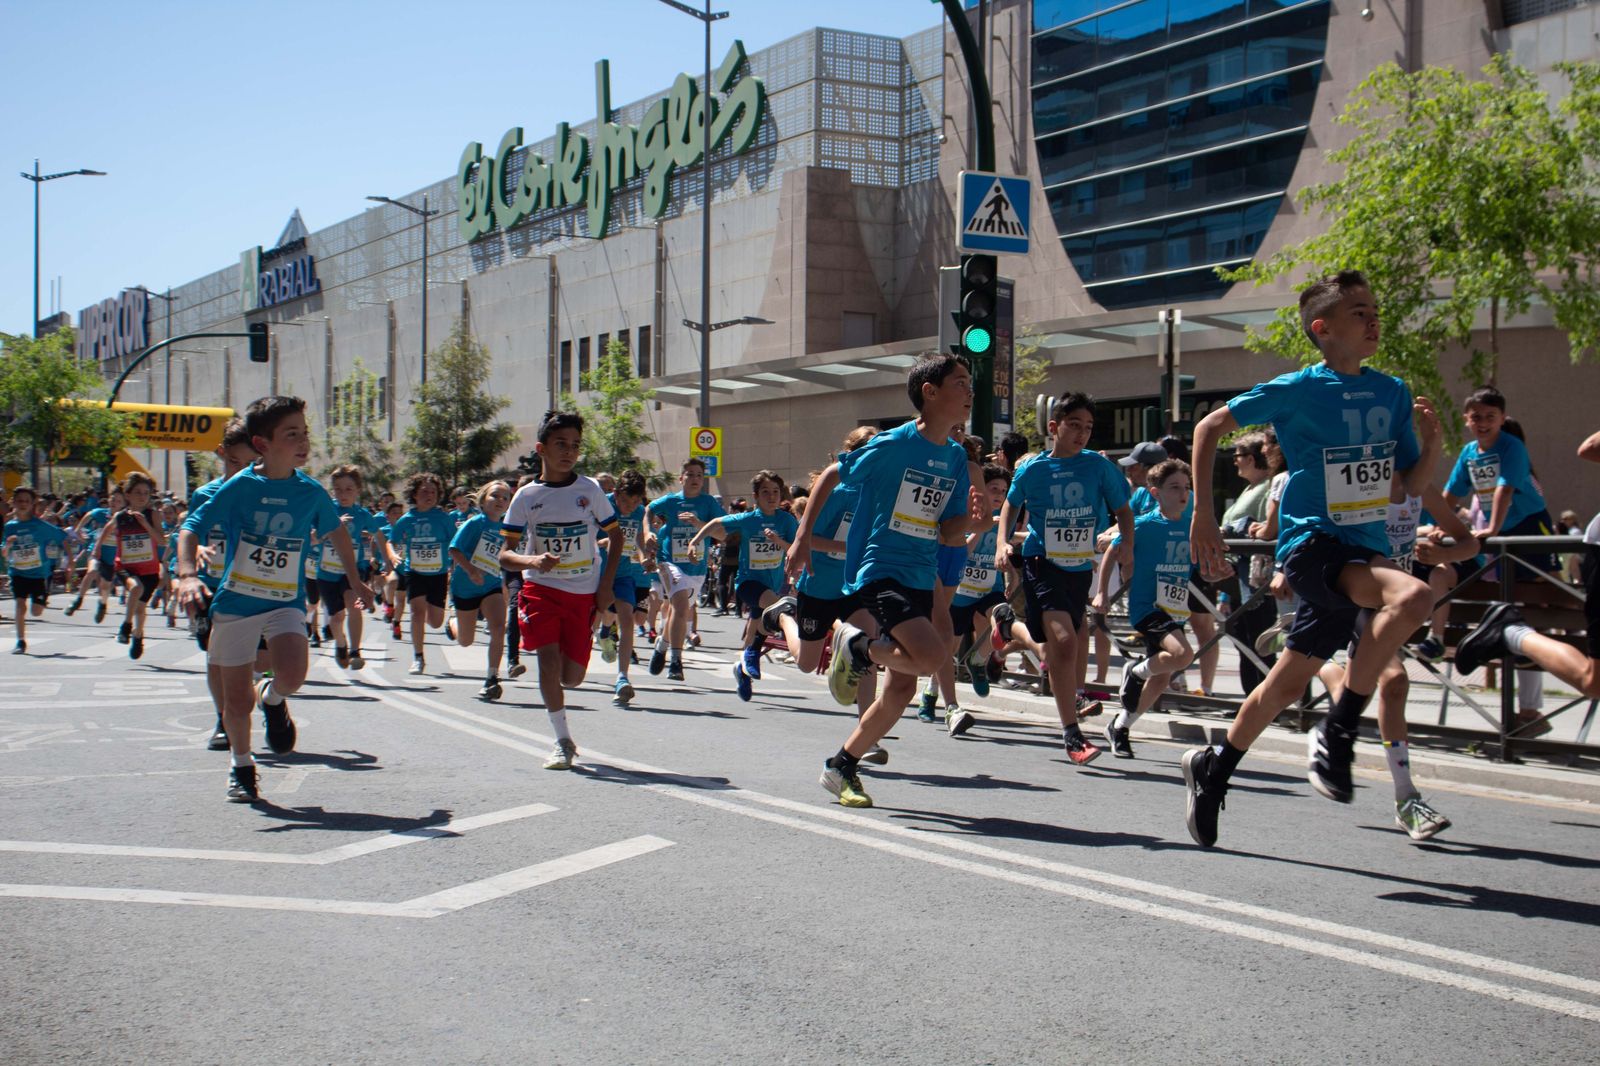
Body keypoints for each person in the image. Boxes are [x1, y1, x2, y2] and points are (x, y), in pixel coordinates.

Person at [1185, 271, 1437, 848]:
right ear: (1323, 329)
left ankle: (1212, 771)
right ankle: (1339, 730)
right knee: (1414, 595)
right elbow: (1209, 426)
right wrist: (1203, 515)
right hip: (1311, 543)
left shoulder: (1393, 392)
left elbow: (1408, 486)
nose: (1373, 320)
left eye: (1375, 310)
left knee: (1283, 685)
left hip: (1364, 548)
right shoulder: (1298, 388)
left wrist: (1434, 442)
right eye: (1358, 312)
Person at [786, 354, 986, 808]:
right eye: (960, 383)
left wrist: (976, 523)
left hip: (920, 573)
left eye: (970, 384)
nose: (970, 392)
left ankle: (841, 766)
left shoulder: (955, 457)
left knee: (901, 688)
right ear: (930, 393)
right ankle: (858, 648)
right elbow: (833, 474)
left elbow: (947, 531)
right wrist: (801, 538)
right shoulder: (893, 444)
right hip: (880, 568)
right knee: (932, 656)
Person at [177, 396, 370, 803]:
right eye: (292, 434)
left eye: (305, 433)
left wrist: (356, 580)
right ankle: (242, 766)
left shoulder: (310, 492)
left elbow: (337, 533)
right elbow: (191, 527)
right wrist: (187, 574)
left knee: (294, 673)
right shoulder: (240, 486)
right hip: (237, 602)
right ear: (263, 444)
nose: (304, 442)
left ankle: (274, 697)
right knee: (235, 700)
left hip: (285, 601)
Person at [1317, 450, 1478, 840]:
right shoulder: (1354, 480)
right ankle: (1407, 799)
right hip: (1357, 597)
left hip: (1396, 606)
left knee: (1356, 690)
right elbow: (1313, 528)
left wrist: (1444, 553)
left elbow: (1469, 543)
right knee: (1393, 682)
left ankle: (1315, 661)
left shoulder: (1420, 488)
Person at [998, 392, 1135, 766]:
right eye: (1074, 425)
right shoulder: (1034, 469)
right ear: (1054, 427)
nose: (1082, 433)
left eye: (1088, 427)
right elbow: (1011, 504)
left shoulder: (1099, 467)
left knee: (1062, 645)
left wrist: (1127, 544)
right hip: (1042, 562)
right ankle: (1072, 733)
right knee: (1064, 641)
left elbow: (1123, 510)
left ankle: (1008, 626)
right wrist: (1001, 542)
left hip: (1079, 568)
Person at [497, 411, 622, 770]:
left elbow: (616, 537)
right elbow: (505, 554)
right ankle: (562, 741)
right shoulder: (526, 496)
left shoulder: (589, 490)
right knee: (548, 663)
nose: (569, 452)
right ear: (541, 449)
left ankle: (600, 632)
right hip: (541, 589)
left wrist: (605, 586)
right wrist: (533, 561)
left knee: (572, 677)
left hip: (583, 593)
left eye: (575, 446)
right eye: (561, 444)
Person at [1451, 427, 1600, 702]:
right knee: (1595, 683)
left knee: (1543, 602)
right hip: (1505, 566)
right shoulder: (1482, 469)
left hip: (1519, 563)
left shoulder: (1526, 487)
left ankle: (1528, 702)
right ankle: (1513, 634)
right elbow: (1589, 448)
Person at [1097, 459, 1196, 758]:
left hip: (1175, 608)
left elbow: (1199, 567)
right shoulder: (1143, 525)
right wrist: (1102, 593)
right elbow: (1111, 551)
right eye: (1174, 487)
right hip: (1147, 607)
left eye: (1187, 487)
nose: (1183, 493)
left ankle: (1120, 727)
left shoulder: (1192, 525)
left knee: (1163, 676)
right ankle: (1135, 671)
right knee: (1183, 655)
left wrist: (1218, 571)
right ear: (1155, 493)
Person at [688, 470, 798, 703]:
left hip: (772, 584)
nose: (771, 496)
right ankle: (752, 653)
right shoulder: (749, 519)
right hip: (748, 583)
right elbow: (716, 523)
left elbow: (794, 549)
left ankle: (743, 671)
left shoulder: (786, 521)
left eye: (775, 492)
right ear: (755, 496)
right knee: (777, 608)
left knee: (756, 627)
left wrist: (777, 541)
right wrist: (695, 541)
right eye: (765, 492)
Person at [185, 419, 261, 750]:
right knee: (215, 654)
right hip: (211, 585)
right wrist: (191, 560)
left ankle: (267, 693)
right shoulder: (205, 495)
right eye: (233, 462)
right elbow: (189, 534)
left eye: (250, 464)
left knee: (258, 660)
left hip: (251, 586)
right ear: (220, 453)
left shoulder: (264, 495)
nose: (241, 471)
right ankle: (223, 719)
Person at [644, 459, 725, 682]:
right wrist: (648, 532)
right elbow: (648, 509)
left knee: (677, 612)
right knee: (679, 605)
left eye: (699, 475)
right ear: (681, 478)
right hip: (669, 562)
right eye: (690, 474)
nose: (695, 479)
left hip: (696, 568)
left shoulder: (708, 503)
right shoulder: (671, 501)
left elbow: (722, 535)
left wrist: (699, 524)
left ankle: (662, 646)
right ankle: (676, 662)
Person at [1219, 430, 1282, 695]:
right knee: (1243, 641)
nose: (1235, 460)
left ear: (1252, 457)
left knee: (1260, 643)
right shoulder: (1250, 489)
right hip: (1238, 577)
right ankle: (1252, 700)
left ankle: (1267, 701)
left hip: (1258, 578)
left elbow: (1269, 528)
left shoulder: (1270, 487)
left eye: (1238, 454)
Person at [386, 472, 456, 675]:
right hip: (414, 572)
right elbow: (391, 541)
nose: (429, 495)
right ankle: (418, 657)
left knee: (434, 622)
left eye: (433, 492)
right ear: (414, 495)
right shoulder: (407, 519)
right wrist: (392, 555)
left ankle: (446, 622)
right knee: (416, 612)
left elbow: (456, 543)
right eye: (424, 491)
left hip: (438, 573)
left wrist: (456, 567)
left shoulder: (443, 518)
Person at [318, 465, 387, 670]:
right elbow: (314, 536)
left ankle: (355, 650)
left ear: (358, 491)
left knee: (353, 605)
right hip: (327, 573)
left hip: (353, 572)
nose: (343, 494)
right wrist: (333, 525)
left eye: (348, 489)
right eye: (338, 489)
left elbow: (378, 534)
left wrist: (387, 558)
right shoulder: (326, 510)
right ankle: (341, 643)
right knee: (336, 618)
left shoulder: (362, 514)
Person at [448, 479, 511, 700]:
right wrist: (471, 570)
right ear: (483, 500)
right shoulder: (474, 523)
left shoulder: (507, 529)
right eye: (495, 495)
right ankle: (453, 623)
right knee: (466, 641)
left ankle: (492, 677)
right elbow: (454, 549)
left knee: (498, 627)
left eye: (505, 498)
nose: (500, 500)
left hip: (491, 585)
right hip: (465, 586)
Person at [94, 472, 166, 661]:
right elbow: (107, 529)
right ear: (128, 494)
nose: (142, 496)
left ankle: (138, 636)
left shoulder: (152, 515)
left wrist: (145, 524)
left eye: (146, 493)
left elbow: (162, 541)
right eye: (138, 492)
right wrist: (97, 547)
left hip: (149, 570)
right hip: (126, 567)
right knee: (135, 588)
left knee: (140, 609)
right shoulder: (120, 517)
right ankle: (126, 626)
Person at [596, 470, 650, 706]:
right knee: (593, 619)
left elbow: (638, 539)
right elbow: (584, 533)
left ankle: (622, 678)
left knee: (627, 620)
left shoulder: (639, 512)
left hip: (623, 573)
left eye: (636, 501)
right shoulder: (602, 505)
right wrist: (602, 542)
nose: (631, 507)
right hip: (596, 572)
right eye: (626, 501)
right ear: (616, 494)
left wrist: (645, 558)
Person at [4, 486, 67, 653]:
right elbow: (4, 552)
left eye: (27, 501)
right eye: (19, 501)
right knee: (20, 605)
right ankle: (20, 641)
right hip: (18, 572)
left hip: (38, 574)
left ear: (32, 504)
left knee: (36, 612)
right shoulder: (10, 526)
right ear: (14, 503)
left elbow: (61, 536)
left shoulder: (40, 525)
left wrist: (71, 557)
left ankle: (42, 597)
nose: (23, 504)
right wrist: (8, 545)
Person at [64, 488, 125, 623]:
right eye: (113, 499)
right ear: (108, 500)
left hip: (112, 556)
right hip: (96, 550)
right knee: (92, 571)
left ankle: (102, 604)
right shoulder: (101, 513)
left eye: (118, 501)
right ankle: (78, 600)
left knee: (105, 586)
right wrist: (78, 530)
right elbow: (88, 515)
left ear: (123, 504)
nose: (114, 502)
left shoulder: (124, 519)